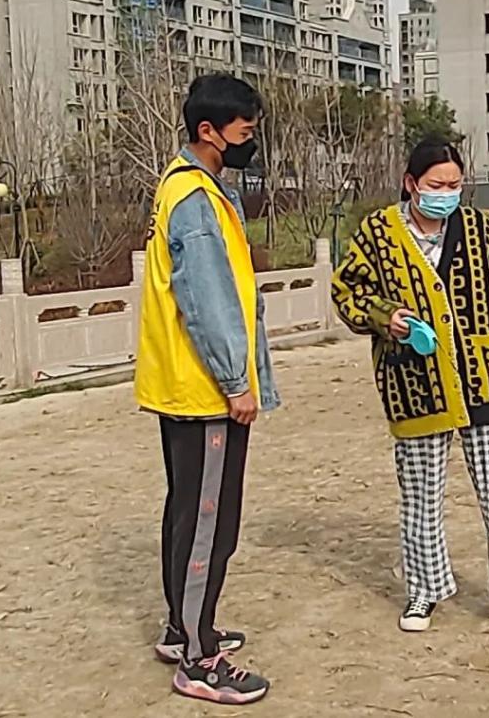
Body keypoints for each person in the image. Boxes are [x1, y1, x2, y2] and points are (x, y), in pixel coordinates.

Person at [331, 136, 489, 632]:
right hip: (414, 382)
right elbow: (347, 290)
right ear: (411, 183)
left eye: (454, 185)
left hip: (484, 376)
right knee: (421, 494)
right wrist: (385, 316)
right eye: (436, 185)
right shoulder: (378, 233)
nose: (446, 194)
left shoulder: (478, 229)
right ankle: (424, 590)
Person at [134, 73, 278, 705]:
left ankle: (182, 626)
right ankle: (199, 657)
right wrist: (235, 380)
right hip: (204, 391)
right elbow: (207, 299)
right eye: (245, 132)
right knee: (208, 525)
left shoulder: (187, 186)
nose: (251, 141)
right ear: (209, 132)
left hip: (185, 386)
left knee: (188, 510)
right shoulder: (195, 199)